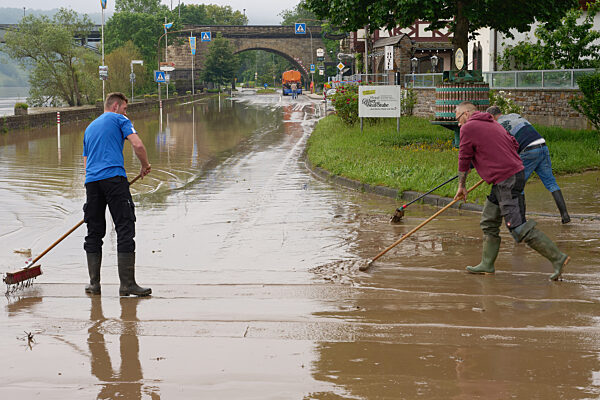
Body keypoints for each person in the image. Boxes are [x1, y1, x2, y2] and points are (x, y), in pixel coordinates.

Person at [453, 101, 569, 280]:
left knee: (517, 227)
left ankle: (557, 258)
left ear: (467, 114)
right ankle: (487, 264)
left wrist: (462, 185)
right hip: (507, 177)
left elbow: (464, 157)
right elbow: (513, 144)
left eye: (458, 119)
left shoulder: (468, 128)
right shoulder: (492, 123)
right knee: (489, 220)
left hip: (507, 180)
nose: (459, 124)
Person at [83, 92, 152, 296]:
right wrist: (145, 165)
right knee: (124, 227)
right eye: (124, 108)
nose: (126, 112)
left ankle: (94, 285)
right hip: (114, 178)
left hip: (92, 182)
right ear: (115, 106)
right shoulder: (120, 119)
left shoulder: (89, 128)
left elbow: (86, 163)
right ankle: (127, 285)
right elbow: (137, 144)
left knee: (94, 232)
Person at [486, 106, 570, 223]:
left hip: (528, 150)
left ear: (492, 117)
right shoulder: (514, 115)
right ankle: (565, 215)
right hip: (542, 145)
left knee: (518, 184)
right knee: (551, 183)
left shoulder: (497, 125)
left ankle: (521, 222)